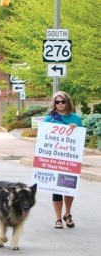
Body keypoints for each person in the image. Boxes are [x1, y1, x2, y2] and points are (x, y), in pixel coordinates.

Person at [44, 91, 82, 229]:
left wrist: (75, 129)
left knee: (69, 188)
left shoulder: (76, 118)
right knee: (57, 189)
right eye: (57, 102)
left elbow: (81, 138)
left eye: (62, 101)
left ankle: (68, 214)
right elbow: (44, 138)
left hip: (70, 159)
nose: (60, 104)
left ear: (67, 102)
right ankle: (58, 218)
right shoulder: (50, 119)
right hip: (55, 159)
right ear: (54, 103)